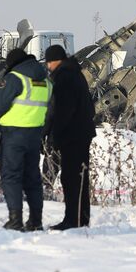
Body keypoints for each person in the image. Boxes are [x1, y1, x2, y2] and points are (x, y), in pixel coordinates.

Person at [0, 49, 51, 231]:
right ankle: (36, 221)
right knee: (32, 178)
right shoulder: (45, 81)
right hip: (35, 135)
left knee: (11, 176)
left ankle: (15, 220)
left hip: (14, 135)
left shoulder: (16, 78)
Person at [43, 45, 96, 230]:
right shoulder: (75, 73)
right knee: (79, 178)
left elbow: (62, 111)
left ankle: (73, 220)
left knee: (71, 178)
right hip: (81, 133)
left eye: (48, 62)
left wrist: (54, 136)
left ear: (55, 61)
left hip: (72, 136)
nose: (48, 66)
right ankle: (81, 218)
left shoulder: (64, 77)